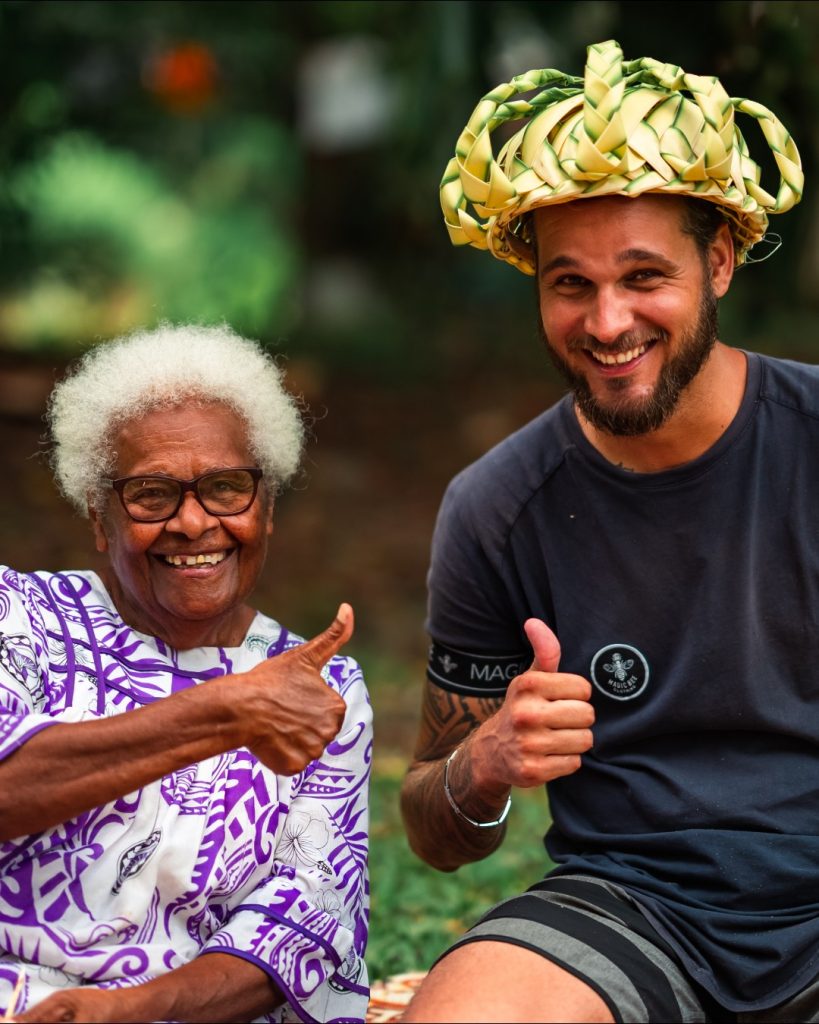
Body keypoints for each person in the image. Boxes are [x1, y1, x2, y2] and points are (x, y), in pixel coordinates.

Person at [400, 39, 816, 1023]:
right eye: (570, 284)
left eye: (643, 275)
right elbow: (433, 823)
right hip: (634, 910)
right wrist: (486, 760)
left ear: (719, 259)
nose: (608, 320)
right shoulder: (498, 507)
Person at [0, 324, 371, 1024]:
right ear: (99, 517)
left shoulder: (325, 692)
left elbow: (299, 928)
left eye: (227, 488)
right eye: (150, 494)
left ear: (266, 508)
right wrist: (226, 713)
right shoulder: (20, 619)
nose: (193, 522)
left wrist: (122, 1013)